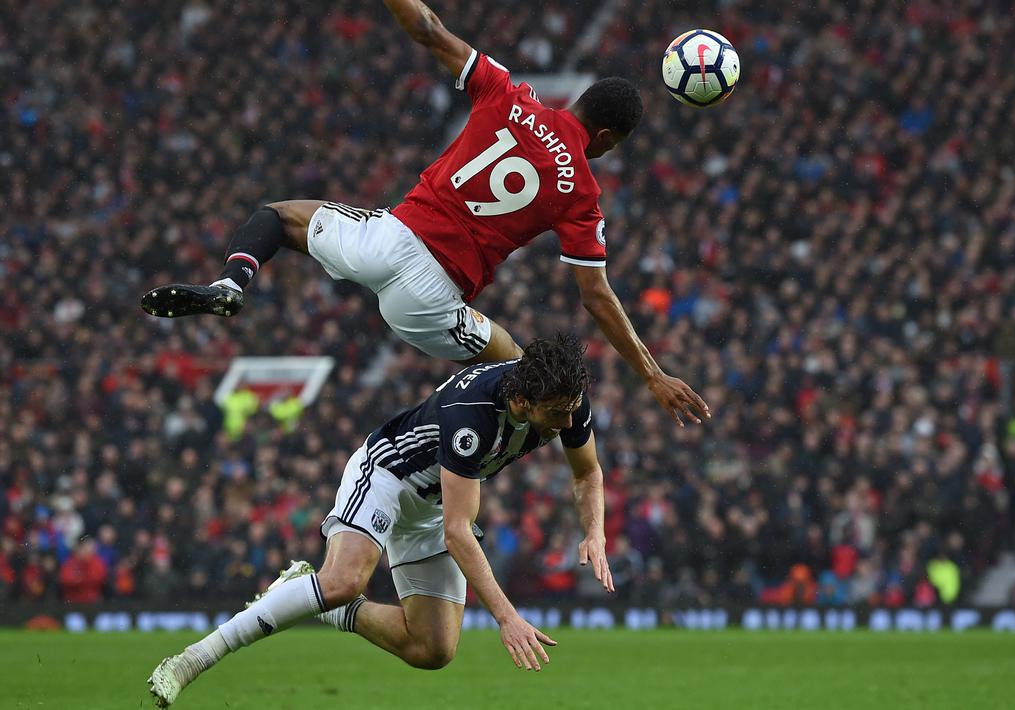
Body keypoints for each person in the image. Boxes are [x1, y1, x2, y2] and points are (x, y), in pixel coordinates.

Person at [139, 0, 708, 427]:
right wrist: (653, 374)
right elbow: (596, 296)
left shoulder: (509, 93)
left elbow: (428, 28)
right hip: (433, 299)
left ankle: (233, 280)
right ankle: (467, 475)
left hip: (385, 240)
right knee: (524, 372)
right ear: (606, 136)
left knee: (280, 216)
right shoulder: (581, 193)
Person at [147, 334, 614, 707]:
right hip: (388, 475)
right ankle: (191, 660)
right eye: (556, 414)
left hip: (433, 504)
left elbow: (588, 472)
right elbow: (459, 531)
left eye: (571, 410)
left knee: (433, 650)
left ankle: (313, 595)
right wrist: (507, 618)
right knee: (346, 579)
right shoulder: (473, 415)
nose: (566, 422)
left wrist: (594, 530)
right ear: (524, 400)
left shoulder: (564, 398)